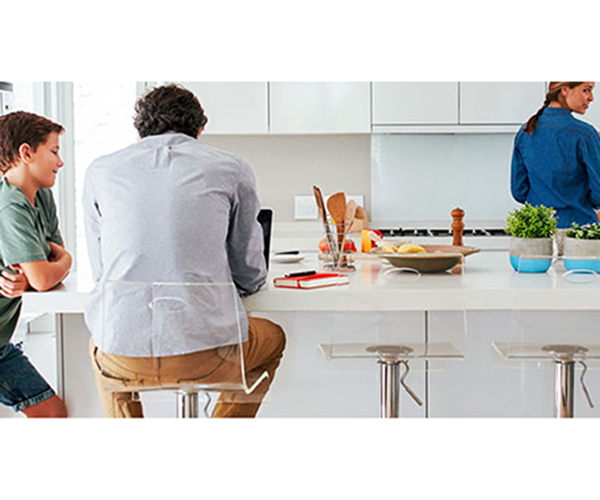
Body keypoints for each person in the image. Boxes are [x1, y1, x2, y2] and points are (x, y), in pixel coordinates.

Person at [83, 84, 285, 418]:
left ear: (139, 130)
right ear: (199, 129)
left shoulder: (99, 171)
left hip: (123, 360)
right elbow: (248, 273)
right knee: (272, 339)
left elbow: (102, 273)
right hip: (208, 356)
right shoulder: (231, 167)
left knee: (101, 344)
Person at [0, 111, 70, 418]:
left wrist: (45, 269)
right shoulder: (10, 205)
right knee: (52, 414)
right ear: (26, 153)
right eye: (54, 151)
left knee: (52, 413)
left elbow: (54, 259)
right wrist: (53, 267)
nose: (60, 161)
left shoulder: (41, 197)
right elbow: (45, 275)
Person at [511, 82, 600, 230]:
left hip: (537, 231)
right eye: (586, 90)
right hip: (579, 230)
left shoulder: (525, 131)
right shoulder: (585, 134)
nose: (591, 98)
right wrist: (583, 205)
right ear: (565, 90)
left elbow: (519, 191)